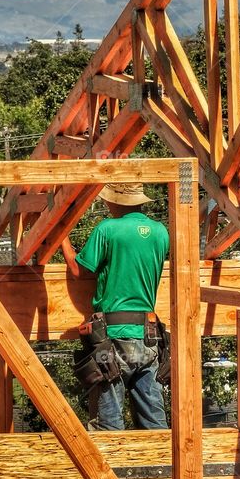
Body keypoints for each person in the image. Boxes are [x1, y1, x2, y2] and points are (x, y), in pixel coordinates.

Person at [63, 183, 169, 430]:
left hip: (111, 339)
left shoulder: (108, 230)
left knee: (108, 424)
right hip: (148, 338)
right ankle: (163, 465)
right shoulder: (160, 232)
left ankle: (109, 469)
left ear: (116, 201)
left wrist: (62, 238)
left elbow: (78, 270)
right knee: (154, 424)